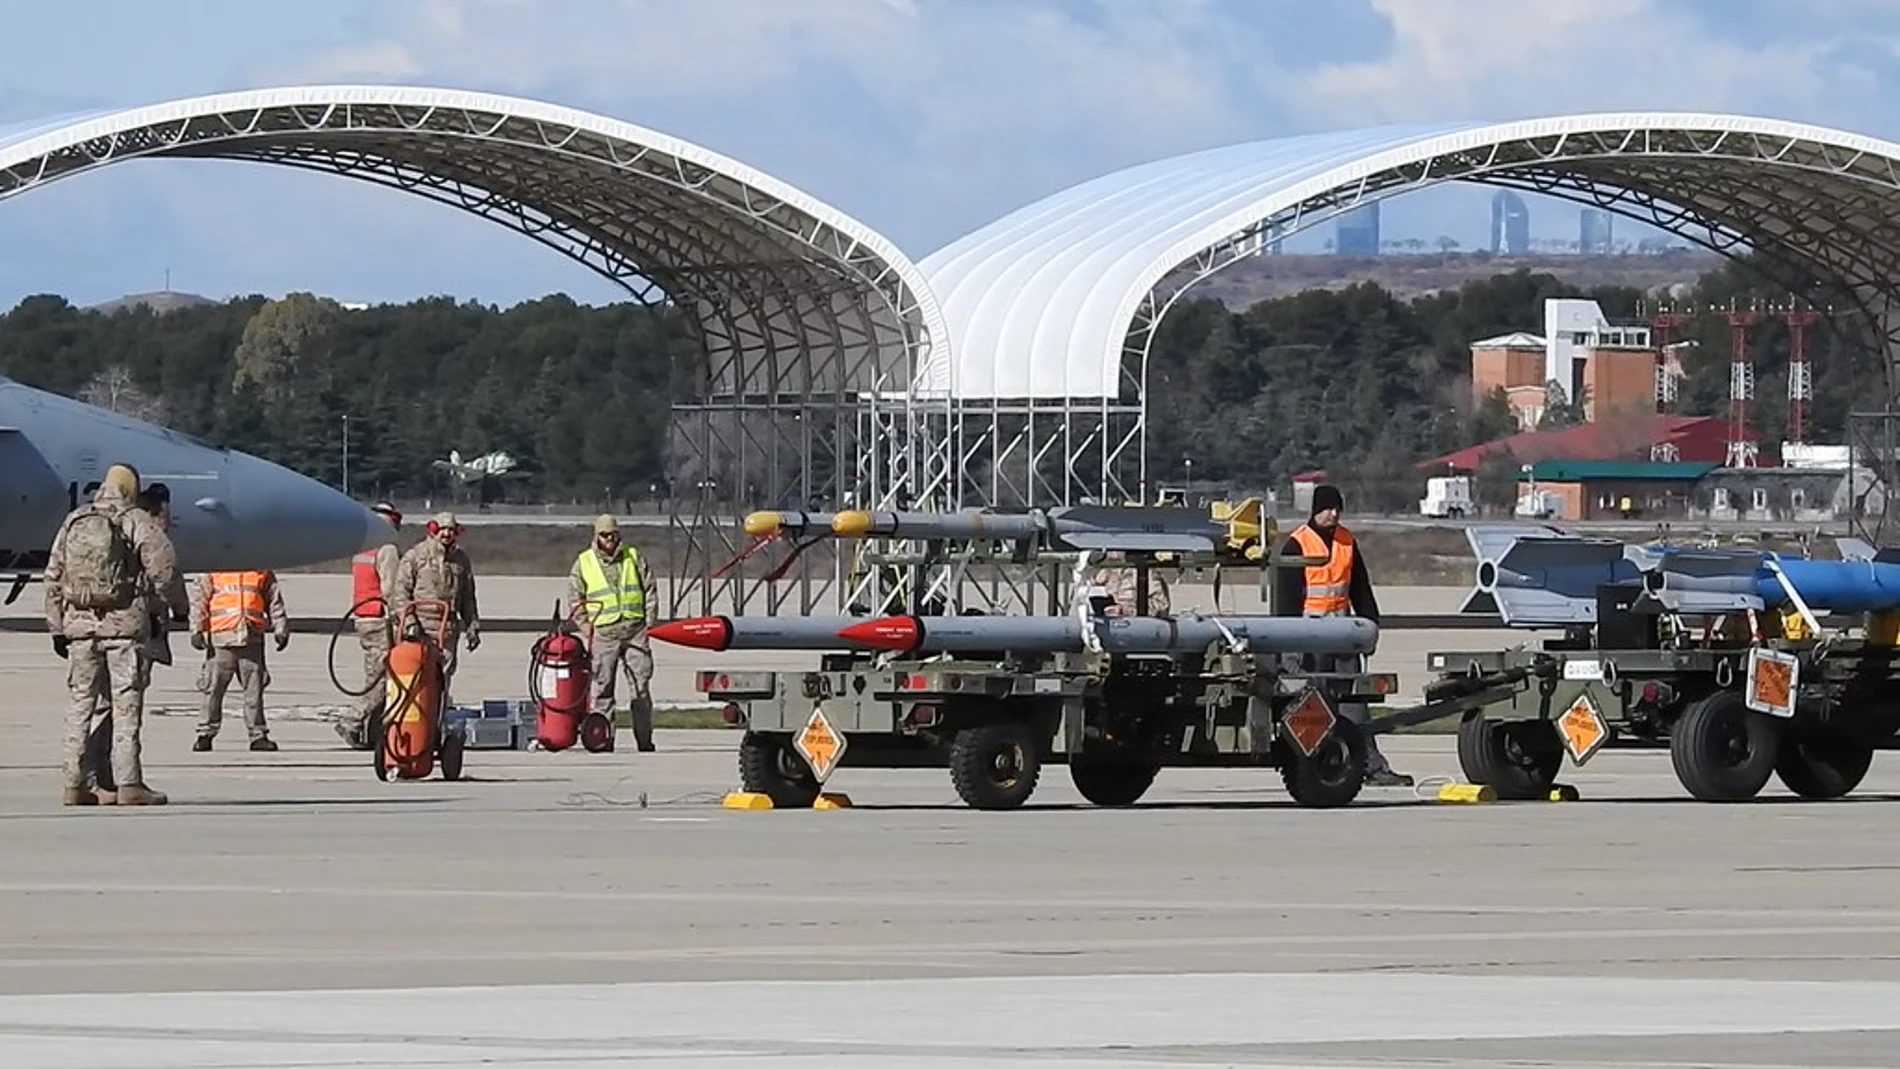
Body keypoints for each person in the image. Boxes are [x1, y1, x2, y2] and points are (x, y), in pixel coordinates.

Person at [44, 464, 190, 806]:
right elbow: (164, 570)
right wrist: (179, 608)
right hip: (124, 629)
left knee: (80, 705)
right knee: (125, 705)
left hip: (80, 630)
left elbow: (53, 576)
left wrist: (57, 627)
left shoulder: (75, 520)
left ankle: (74, 784)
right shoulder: (135, 520)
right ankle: (129, 784)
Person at [1273, 484, 1410, 787]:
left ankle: (1371, 766)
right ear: (1315, 510)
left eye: (1337, 509)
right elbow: (1286, 598)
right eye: (1327, 508)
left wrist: (1370, 624)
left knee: (1354, 700)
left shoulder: (1347, 541)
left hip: (1343, 630)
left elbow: (1360, 588)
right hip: (1310, 633)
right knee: (1313, 700)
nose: (1333, 514)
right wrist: (1289, 639)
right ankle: (1315, 764)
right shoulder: (1297, 544)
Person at [568, 514, 658, 752]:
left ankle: (644, 741)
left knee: (640, 689)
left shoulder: (634, 557)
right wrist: (587, 628)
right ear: (596, 536)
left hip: (634, 631)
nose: (609, 539)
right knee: (603, 689)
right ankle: (603, 740)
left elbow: (649, 589)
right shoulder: (584, 562)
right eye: (604, 535)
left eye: (613, 534)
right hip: (604, 635)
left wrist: (649, 622)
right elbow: (575, 598)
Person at [189, 567, 289, 752]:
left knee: (254, 692)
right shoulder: (214, 569)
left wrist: (281, 628)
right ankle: (205, 734)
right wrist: (196, 629)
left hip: (251, 639)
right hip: (221, 640)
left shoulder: (261, 571)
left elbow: (274, 600)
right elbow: (200, 599)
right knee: (213, 690)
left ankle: (257, 735)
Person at [391, 511, 480, 704]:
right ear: (433, 530)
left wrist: (472, 626)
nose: (446, 534)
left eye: (451, 530)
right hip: (419, 628)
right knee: (415, 677)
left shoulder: (461, 560)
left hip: (447, 629)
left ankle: (437, 721)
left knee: (443, 678)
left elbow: (467, 597)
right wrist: (410, 623)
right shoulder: (415, 556)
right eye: (442, 529)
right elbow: (400, 593)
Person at [335, 502, 404, 750]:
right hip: (379, 619)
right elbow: (391, 589)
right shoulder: (386, 550)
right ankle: (352, 720)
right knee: (383, 678)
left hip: (362, 617)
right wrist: (402, 620)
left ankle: (372, 732)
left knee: (374, 673)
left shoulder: (362, 549)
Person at [1082, 550, 1172, 617]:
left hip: (1135, 628)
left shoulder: (1146, 573)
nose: (1111, 553)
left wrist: (1124, 610)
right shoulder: (1107, 573)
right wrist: (1095, 583)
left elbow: (1162, 606)